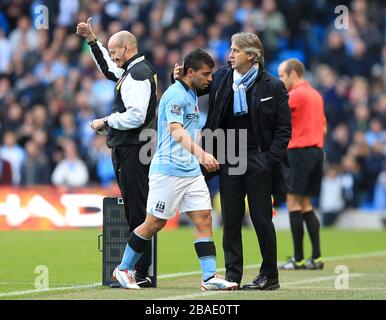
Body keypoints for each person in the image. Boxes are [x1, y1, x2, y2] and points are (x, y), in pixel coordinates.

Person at [111, 48, 238, 291]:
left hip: (190, 172)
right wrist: (202, 154)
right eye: (206, 74)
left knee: (203, 218)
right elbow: (176, 130)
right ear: (191, 72)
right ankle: (123, 269)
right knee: (154, 223)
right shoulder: (174, 96)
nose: (210, 79)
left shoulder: (189, 91)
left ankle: (209, 277)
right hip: (168, 171)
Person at [173, 32, 291, 290]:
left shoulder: (272, 85)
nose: (230, 54)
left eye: (235, 50)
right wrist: (180, 80)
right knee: (231, 219)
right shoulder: (223, 78)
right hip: (228, 157)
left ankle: (269, 275)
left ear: (251, 55)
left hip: (258, 159)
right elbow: (196, 88)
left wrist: (269, 160)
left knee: (261, 219)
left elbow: (284, 129)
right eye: (230, 49)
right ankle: (233, 275)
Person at [76, 18, 157, 286]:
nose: (113, 57)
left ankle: (139, 271)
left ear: (125, 48)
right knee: (137, 207)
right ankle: (140, 269)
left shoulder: (136, 74)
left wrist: (106, 121)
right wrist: (92, 40)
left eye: (114, 52)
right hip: (134, 147)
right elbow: (108, 69)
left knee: (136, 210)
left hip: (133, 148)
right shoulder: (134, 70)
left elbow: (134, 116)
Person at [277, 58, 325, 270]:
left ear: (293, 74)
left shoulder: (295, 95)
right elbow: (324, 127)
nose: (280, 80)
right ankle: (315, 258)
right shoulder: (316, 95)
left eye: (282, 76)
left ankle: (297, 258)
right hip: (317, 151)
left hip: (299, 152)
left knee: (293, 203)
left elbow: (275, 116)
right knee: (306, 205)